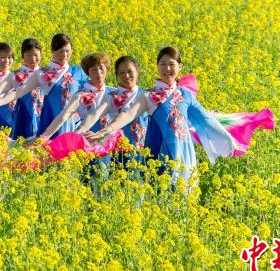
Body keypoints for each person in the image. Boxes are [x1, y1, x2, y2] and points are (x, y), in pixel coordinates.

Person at [88, 47, 243, 189]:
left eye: (171, 64)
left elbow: (206, 120)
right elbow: (128, 114)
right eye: (162, 64)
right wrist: (106, 130)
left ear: (179, 68)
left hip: (184, 151)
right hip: (159, 152)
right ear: (157, 66)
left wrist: (229, 141)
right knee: (162, 193)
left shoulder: (185, 94)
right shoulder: (149, 95)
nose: (167, 68)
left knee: (185, 195)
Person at [0, 34, 88, 138]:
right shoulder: (42, 73)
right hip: (49, 121)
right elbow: (19, 92)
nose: (64, 55)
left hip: (70, 123)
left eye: (67, 51)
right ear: (53, 51)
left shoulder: (78, 72)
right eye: (60, 51)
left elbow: (93, 94)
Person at [0, 38, 44, 139]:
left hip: (43, 113)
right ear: (23, 56)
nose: (32, 58)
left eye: (35, 55)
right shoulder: (15, 75)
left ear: (41, 55)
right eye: (28, 55)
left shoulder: (46, 73)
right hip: (23, 115)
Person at [78, 56, 149, 150]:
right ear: (117, 76)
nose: (126, 76)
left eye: (130, 71)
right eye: (122, 73)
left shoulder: (146, 95)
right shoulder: (111, 96)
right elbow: (95, 114)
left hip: (140, 150)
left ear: (137, 72)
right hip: (115, 150)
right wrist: (79, 132)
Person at [39, 52, 114, 139]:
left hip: (108, 142)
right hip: (85, 141)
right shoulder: (80, 95)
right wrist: (44, 137)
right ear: (88, 73)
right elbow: (63, 115)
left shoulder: (113, 92)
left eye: (101, 68)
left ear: (107, 70)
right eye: (93, 69)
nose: (98, 72)